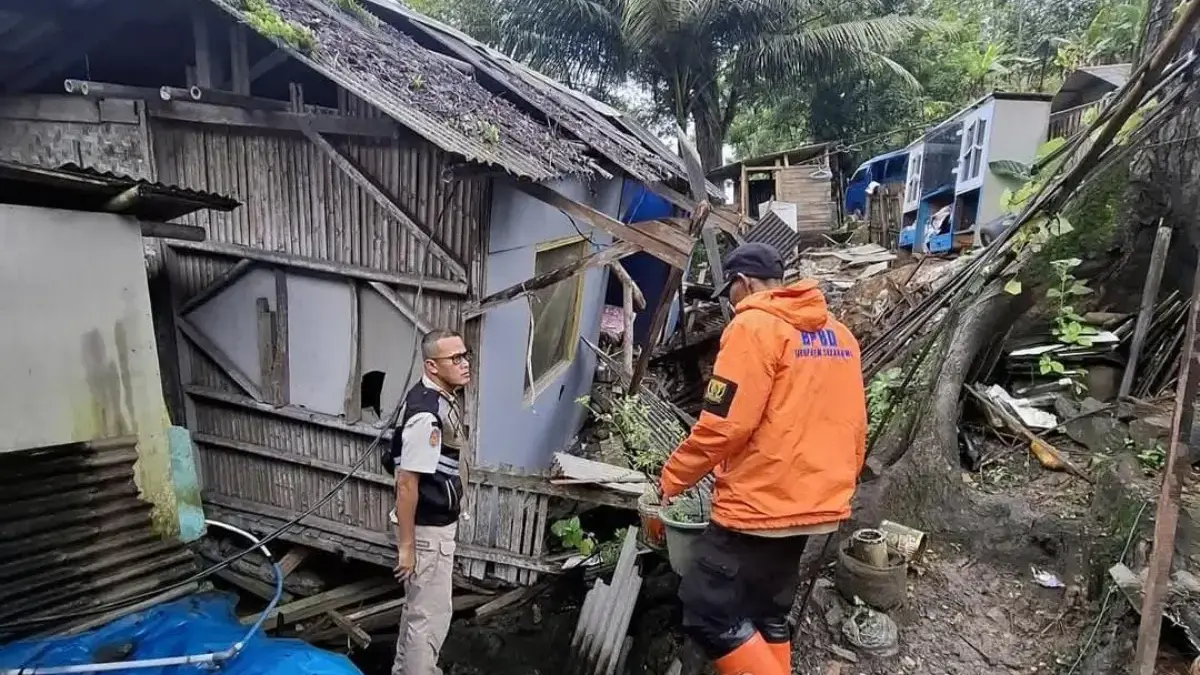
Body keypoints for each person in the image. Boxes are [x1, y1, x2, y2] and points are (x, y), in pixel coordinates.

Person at [659, 242, 867, 675]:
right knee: (767, 609)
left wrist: (672, 477)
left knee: (706, 611)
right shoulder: (840, 334)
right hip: (818, 501)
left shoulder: (753, 327)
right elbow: (855, 425)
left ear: (743, 283)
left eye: (729, 293)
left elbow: (724, 425)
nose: (730, 303)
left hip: (761, 504)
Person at [388, 329, 471, 675]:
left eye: (465, 356)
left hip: (429, 528)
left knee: (417, 610)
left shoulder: (438, 398)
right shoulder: (427, 416)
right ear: (432, 366)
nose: (465, 364)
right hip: (427, 532)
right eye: (455, 358)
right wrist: (407, 546)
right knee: (431, 617)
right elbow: (407, 484)